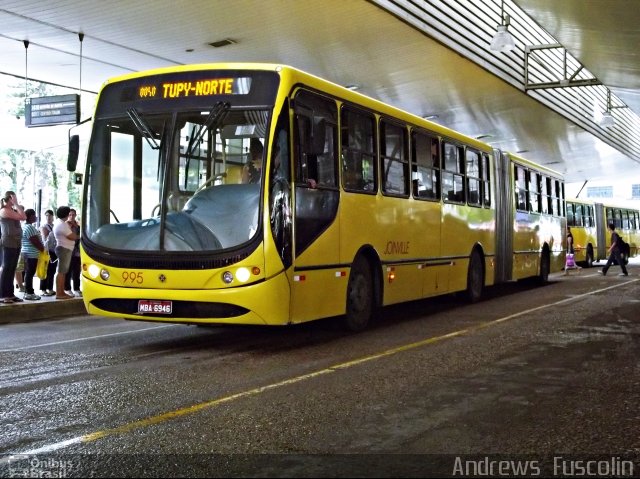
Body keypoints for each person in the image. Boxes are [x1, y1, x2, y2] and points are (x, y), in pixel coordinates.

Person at [0, 191, 26, 304]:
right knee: (7, 268)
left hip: (16, 242)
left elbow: (22, 216)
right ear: (9, 199)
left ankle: (10, 294)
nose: (15, 200)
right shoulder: (4, 210)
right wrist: (15, 203)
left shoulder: (13, 210)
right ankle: (3, 295)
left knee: (12, 268)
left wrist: (16, 205)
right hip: (8, 242)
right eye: (13, 198)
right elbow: (23, 217)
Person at [53, 206, 79, 300]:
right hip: (64, 249)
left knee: (63, 272)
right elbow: (72, 236)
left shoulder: (60, 223)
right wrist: (79, 236)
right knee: (61, 272)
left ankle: (61, 291)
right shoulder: (62, 225)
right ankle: (59, 293)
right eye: (69, 213)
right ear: (67, 214)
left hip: (64, 248)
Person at [21, 209, 45, 300]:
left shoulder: (26, 226)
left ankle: (28, 291)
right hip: (31, 254)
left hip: (29, 253)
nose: (36, 217)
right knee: (29, 273)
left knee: (29, 273)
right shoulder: (29, 227)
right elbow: (35, 241)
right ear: (30, 216)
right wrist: (43, 249)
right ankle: (29, 292)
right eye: (34, 215)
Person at [64, 208, 82, 297]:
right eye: (70, 215)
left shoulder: (78, 226)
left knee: (77, 271)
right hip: (68, 250)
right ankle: (67, 288)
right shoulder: (65, 225)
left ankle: (77, 288)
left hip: (77, 251)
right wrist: (77, 237)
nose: (71, 217)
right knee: (68, 270)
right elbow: (71, 236)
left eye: (73, 215)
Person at [39, 209, 57, 296]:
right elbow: (44, 238)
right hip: (46, 251)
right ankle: (43, 289)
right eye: (46, 216)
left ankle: (50, 288)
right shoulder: (44, 226)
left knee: (52, 271)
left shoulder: (54, 226)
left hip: (54, 250)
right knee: (45, 270)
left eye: (50, 215)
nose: (48, 217)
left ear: (53, 217)